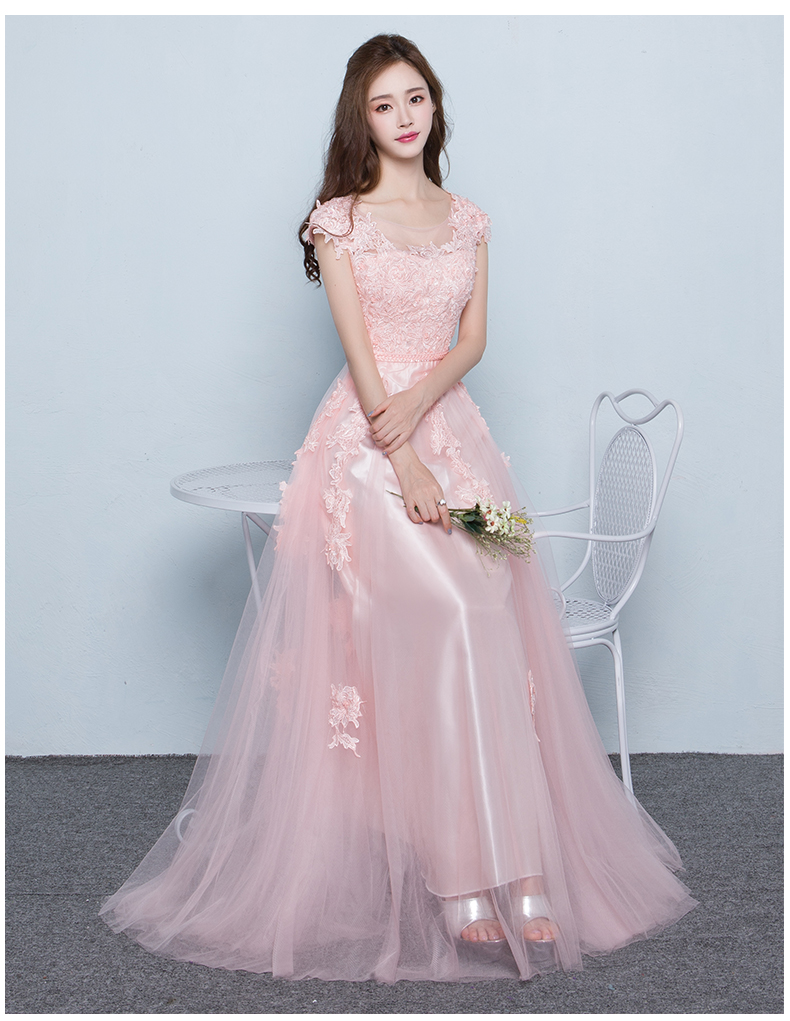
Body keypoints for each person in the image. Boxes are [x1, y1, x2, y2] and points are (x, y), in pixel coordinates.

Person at [100, 34, 696, 983]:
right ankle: (463, 875)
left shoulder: (468, 219)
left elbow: (474, 340)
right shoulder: (338, 223)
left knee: (491, 614)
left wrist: (429, 409)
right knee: (449, 615)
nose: (405, 116)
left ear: (435, 104)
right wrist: (408, 455)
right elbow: (364, 360)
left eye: (416, 97)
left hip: (456, 435)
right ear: (363, 120)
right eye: (384, 105)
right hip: (370, 451)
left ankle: (521, 864)